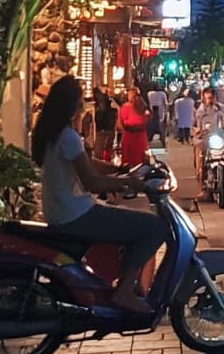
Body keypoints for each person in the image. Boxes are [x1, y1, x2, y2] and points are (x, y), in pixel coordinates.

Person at [32, 76, 165, 313]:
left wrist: (118, 169)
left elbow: (86, 163)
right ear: (72, 104)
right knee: (153, 227)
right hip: (76, 214)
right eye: (81, 98)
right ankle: (124, 291)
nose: (84, 103)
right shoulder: (68, 136)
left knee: (128, 221)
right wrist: (128, 183)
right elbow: (91, 182)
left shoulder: (52, 134)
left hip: (61, 211)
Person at [193, 87, 224, 185]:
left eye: (212, 97)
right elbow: (194, 126)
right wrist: (197, 131)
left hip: (219, 136)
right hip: (204, 138)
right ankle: (201, 182)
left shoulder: (221, 108)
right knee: (200, 158)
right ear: (203, 98)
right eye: (208, 98)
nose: (210, 100)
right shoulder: (199, 111)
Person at [117, 86, 151, 168]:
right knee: (139, 158)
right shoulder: (143, 107)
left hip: (128, 135)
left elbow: (119, 124)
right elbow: (148, 118)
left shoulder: (124, 108)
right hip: (140, 136)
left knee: (128, 159)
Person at [93, 84, 117, 162]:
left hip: (106, 125)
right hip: (105, 124)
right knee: (103, 144)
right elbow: (103, 110)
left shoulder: (106, 98)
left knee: (104, 144)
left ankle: (104, 161)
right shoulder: (103, 99)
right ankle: (103, 162)